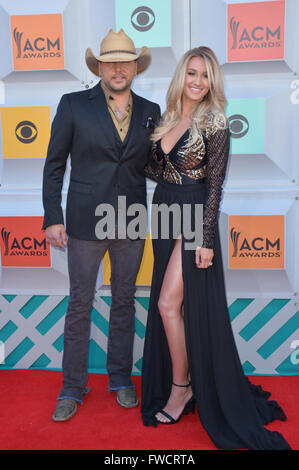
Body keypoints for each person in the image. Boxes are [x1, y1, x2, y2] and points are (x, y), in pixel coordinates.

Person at [141, 47, 291, 450]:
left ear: (212, 83)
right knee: (171, 304)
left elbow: (214, 185)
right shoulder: (167, 118)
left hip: (193, 214)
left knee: (168, 305)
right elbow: (156, 170)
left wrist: (206, 239)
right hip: (164, 211)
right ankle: (183, 381)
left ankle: (181, 388)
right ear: (181, 75)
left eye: (205, 76)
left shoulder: (215, 122)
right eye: (191, 73)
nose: (197, 81)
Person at [42, 29, 160, 421]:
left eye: (125, 61)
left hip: (130, 223)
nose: (118, 68)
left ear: (135, 67)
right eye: (111, 62)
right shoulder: (74, 104)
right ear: (100, 67)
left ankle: (121, 379)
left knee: (124, 302)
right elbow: (54, 165)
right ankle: (72, 387)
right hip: (83, 222)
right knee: (80, 304)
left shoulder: (149, 110)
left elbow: (155, 166)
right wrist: (52, 217)